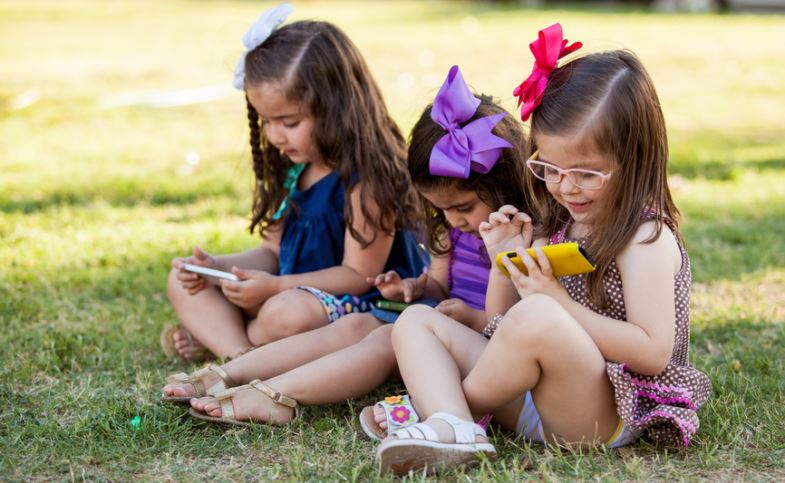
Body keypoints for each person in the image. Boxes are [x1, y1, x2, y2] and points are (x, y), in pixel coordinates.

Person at [375, 24, 712, 476]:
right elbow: (500, 329)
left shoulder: (643, 237)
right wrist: (505, 264)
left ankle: (441, 409)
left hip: (601, 414)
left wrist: (552, 301)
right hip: (538, 396)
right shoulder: (561, 221)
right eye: (549, 168)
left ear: (635, 160)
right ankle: (455, 424)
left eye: (586, 173)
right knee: (416, 321)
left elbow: (651, 352)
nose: (565, 186)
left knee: (539, 315)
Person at [160, 66, 536, 430]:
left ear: (503, 185)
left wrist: (470, 318)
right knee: (358, 325)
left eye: (463, 208)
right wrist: (413, 289)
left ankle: (276, 394)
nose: (452, 220)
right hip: (434, 327)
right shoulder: (450, 233)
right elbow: (438, 287)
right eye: (441, 209)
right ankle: (229, 372)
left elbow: (521, 321)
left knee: (386, 339)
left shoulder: (525, 237)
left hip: (486, 352)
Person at [160, 4, 426, 362]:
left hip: (360, 306)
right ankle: (239, 355)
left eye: (288, 122)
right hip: (286, 294)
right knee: (181, 280)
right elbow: (272, 252)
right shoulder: (295, 169)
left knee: (286, 313)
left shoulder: (368, 181)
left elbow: (359, 276)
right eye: (266, 121)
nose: (273, 136)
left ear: (335, 108)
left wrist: (276, 287)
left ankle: (229, 339)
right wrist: (220, 268)